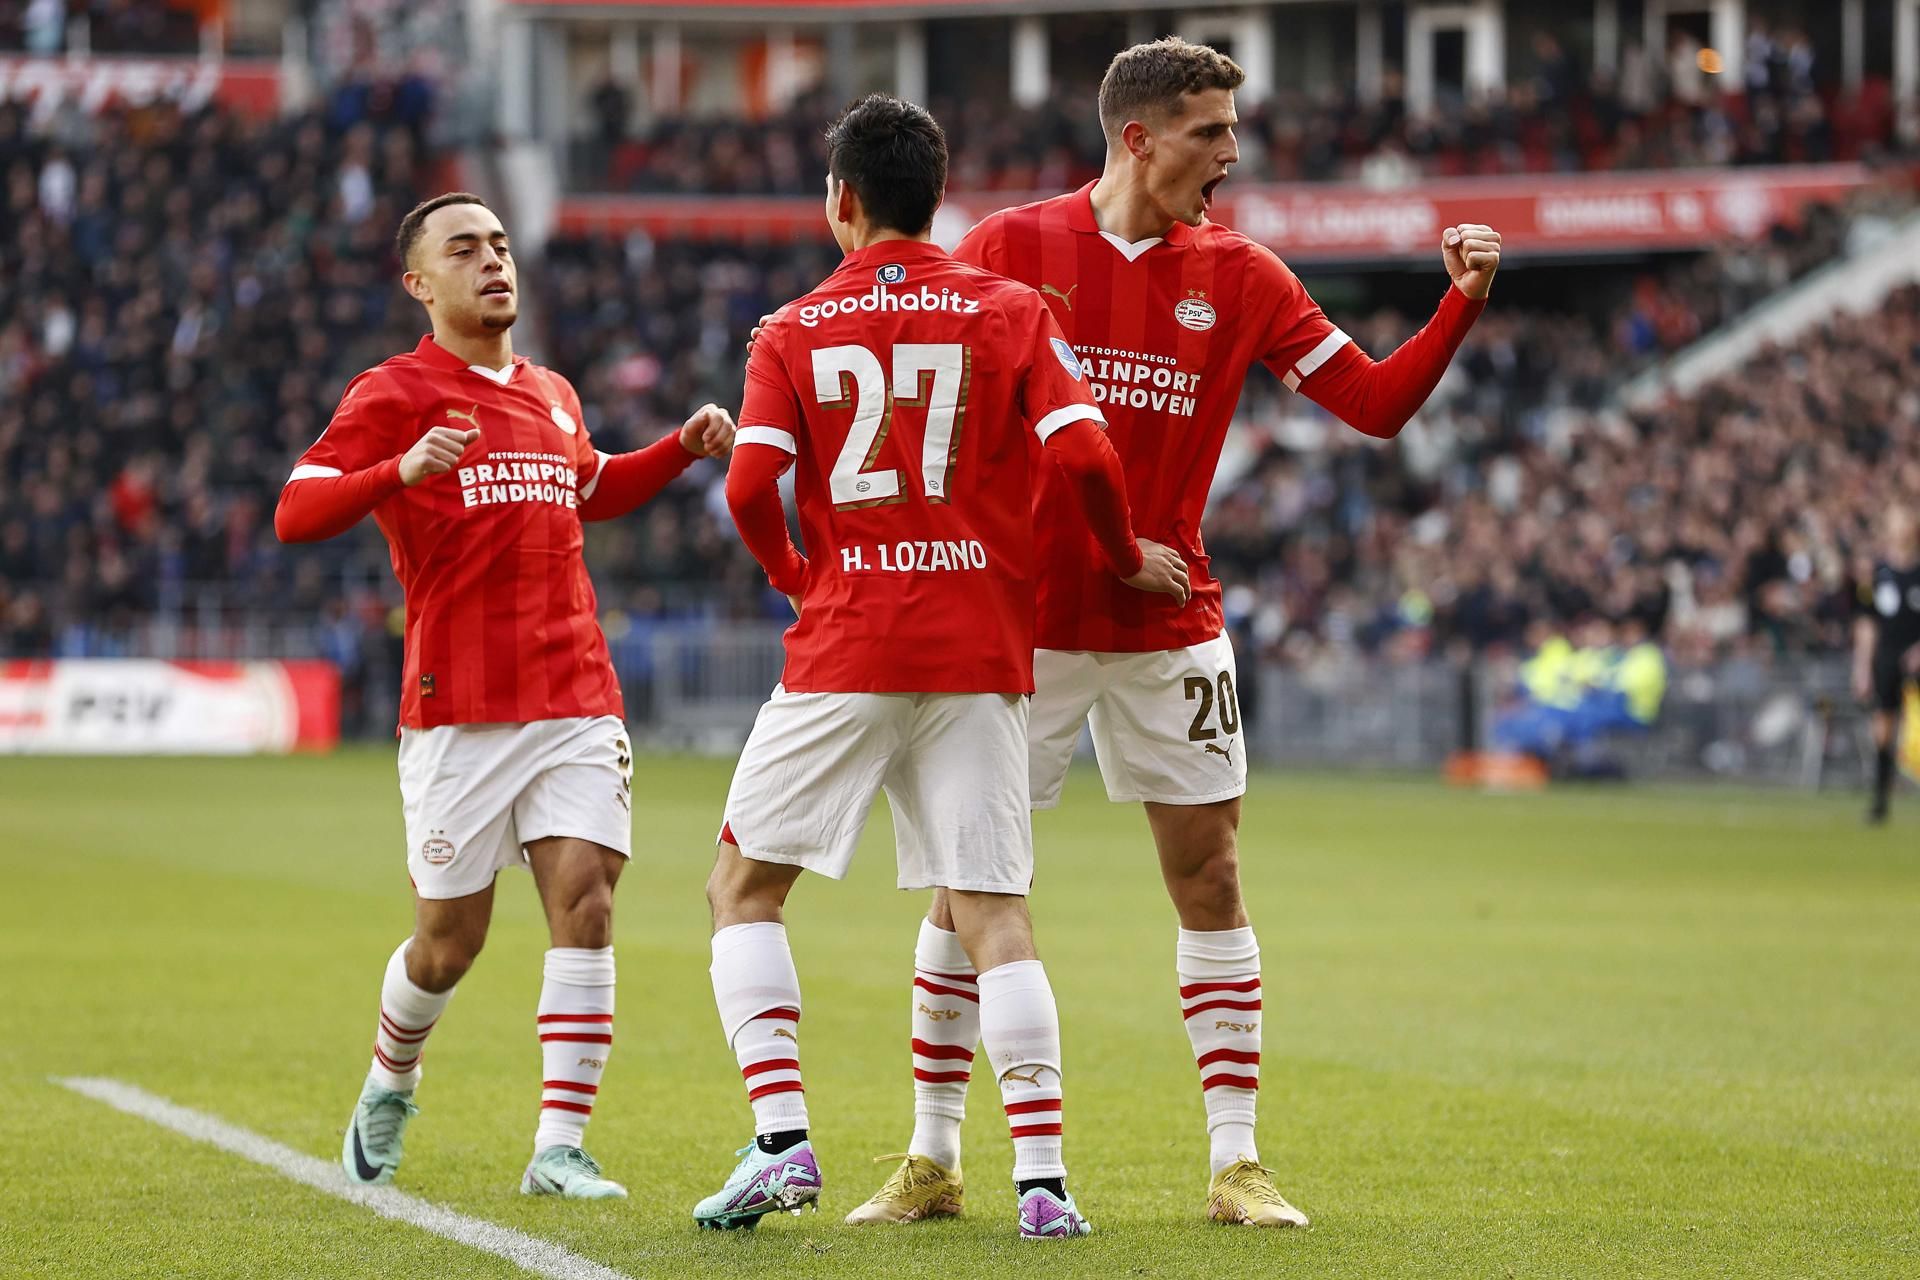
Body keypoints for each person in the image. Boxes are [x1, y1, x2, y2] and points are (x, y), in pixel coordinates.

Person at [844, 38, 1501, 1229]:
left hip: (1170, 619)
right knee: (963, 887)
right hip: (1024, 627)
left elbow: (1376, 404)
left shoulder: (1243, 274)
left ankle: (1237, 1162)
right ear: (1139, 137)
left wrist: (1460, 303)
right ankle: (933, 1156)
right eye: (1210, 133)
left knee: (1212, 876)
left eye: (1233, 132)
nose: (1231, 156)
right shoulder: (1006, 250)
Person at [694, 94, 1189, 1239]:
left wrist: (797, 580)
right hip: (978, 645)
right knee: (993, 910)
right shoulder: (1009, 306)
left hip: (847, 640)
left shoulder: (794, 326)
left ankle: (780, 1140)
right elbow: (1087, 452)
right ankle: (1046, 1183)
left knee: (742, 888)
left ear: (842, 201)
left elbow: (745, 488)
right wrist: (1121, 555)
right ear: (941, 191)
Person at [274, 192, 735, 1198]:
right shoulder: (391, 391)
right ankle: (391, 1075)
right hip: (457, 709)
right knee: (449, 942)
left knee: (588, 900)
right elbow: (295, 509)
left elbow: (591, 482)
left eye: (499, 244)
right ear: (419, 283)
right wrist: (396, 467)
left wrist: (677, 449)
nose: (492, 261)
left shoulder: (553, 391)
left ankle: (557, 1146)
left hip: (574, 691)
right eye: (464, 249)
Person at [1852, 505, 1920, 824]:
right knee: (1883, 727)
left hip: (1917, 658)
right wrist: (1862, 667)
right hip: (1887, 659)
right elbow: (1867, 624)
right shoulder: (1878, 574)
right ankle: (1880, 801)